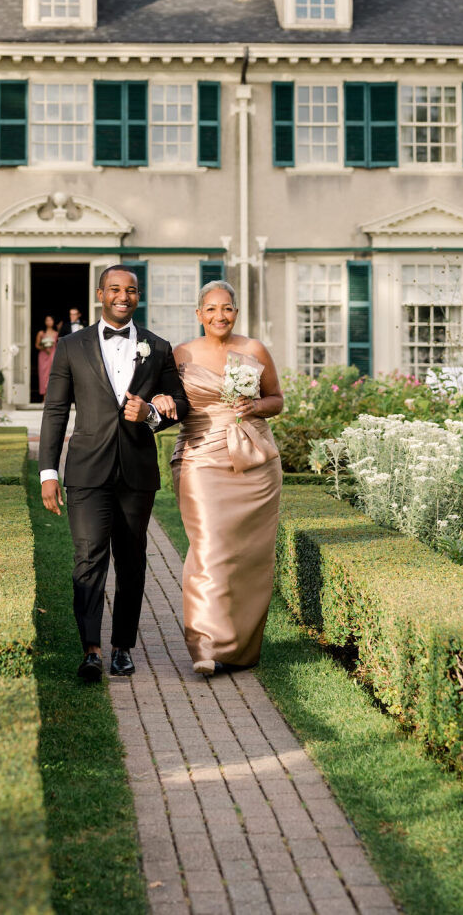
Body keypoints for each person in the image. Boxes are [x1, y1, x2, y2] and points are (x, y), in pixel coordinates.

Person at [39, 266, 188, 682]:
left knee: (132, 560)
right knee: (88, 558)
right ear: (101, 294)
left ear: (138, 297)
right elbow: (55, 411)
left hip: (137, 471)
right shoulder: (71, 346)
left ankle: (123, 647)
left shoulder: (158, 348)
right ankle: (91, 649)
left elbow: (182, 403)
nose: (124, 296)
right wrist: (48, 471)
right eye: (116, 290)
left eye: (132, 291)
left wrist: (153, 413)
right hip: (86, 469)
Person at [152, 280, 283, 676]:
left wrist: (256, 404)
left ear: (236, 312)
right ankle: (205, 645)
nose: (219, 316)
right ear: (198, 314)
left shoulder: (255, 350)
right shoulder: (181, 354)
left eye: (226, 308)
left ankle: (240, 648)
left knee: (248, 556)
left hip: (255, 459)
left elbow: (277, 399)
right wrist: (159, 400)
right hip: (200, 457)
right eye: (210, 309)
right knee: (209, 548)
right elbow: (170, 402)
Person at [34, 315, 59, 397]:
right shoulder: (41, 333)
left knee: (52, 374)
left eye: (50, 320)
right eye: (47, 320)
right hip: (43, 356)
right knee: (43, 375)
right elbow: (37, 345)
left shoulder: (56, 333)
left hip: (53, 355)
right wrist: (44, 348)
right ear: (45, 322)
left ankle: (51, 396)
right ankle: (44, 396)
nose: (49, 322)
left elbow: (58, 345)